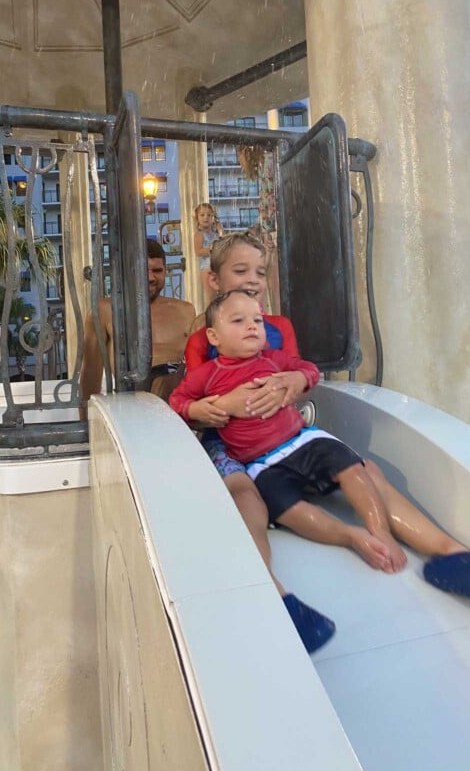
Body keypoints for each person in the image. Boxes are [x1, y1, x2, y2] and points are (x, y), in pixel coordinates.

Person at [171, 290, 470, 635]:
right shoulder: (208, 373)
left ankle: (444, 555)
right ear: (214, 333)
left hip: (298, 440)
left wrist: (298, 378)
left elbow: (307, 370)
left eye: (258, 319)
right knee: (280, 505)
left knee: (360, 469)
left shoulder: (273, 359)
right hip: (255, 459)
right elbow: (179, 401)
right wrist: (204, 408)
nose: (252, 326)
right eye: (239, 320)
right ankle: (345, 541)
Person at [185, 231, 335, 652]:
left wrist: (294, 379)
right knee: (244, 495)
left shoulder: (280, 328)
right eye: (240, 271)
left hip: (278, 433)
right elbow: (195, 397)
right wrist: (214, 406)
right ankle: (270, 590)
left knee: (357, 466)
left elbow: (298, 374)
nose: (252, 279)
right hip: (230, 440)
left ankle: (403, 542)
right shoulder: (202, 337)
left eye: (260, 272)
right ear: (213, 280)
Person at [80, 239, 196, 416]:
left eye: (157, 271)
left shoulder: (186, 310)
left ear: (166, 271)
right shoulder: (105, 310)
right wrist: (86, 425)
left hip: (179, 399)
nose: (150, 278)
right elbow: (90, 372)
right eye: (142, 271)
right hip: (134, 397)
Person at [193, 202, 223, 306]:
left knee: (219, 297)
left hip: (217, 267)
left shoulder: (215, 234)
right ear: (197, 218)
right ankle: (209, 319)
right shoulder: (199, 235)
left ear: (213, 218)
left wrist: (221, 232)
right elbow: (198, 251)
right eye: (202, 215)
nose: (206, 218)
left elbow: (223, 244)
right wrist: (212, 249)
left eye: (209, 215)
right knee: (210, 297)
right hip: (207, 269)